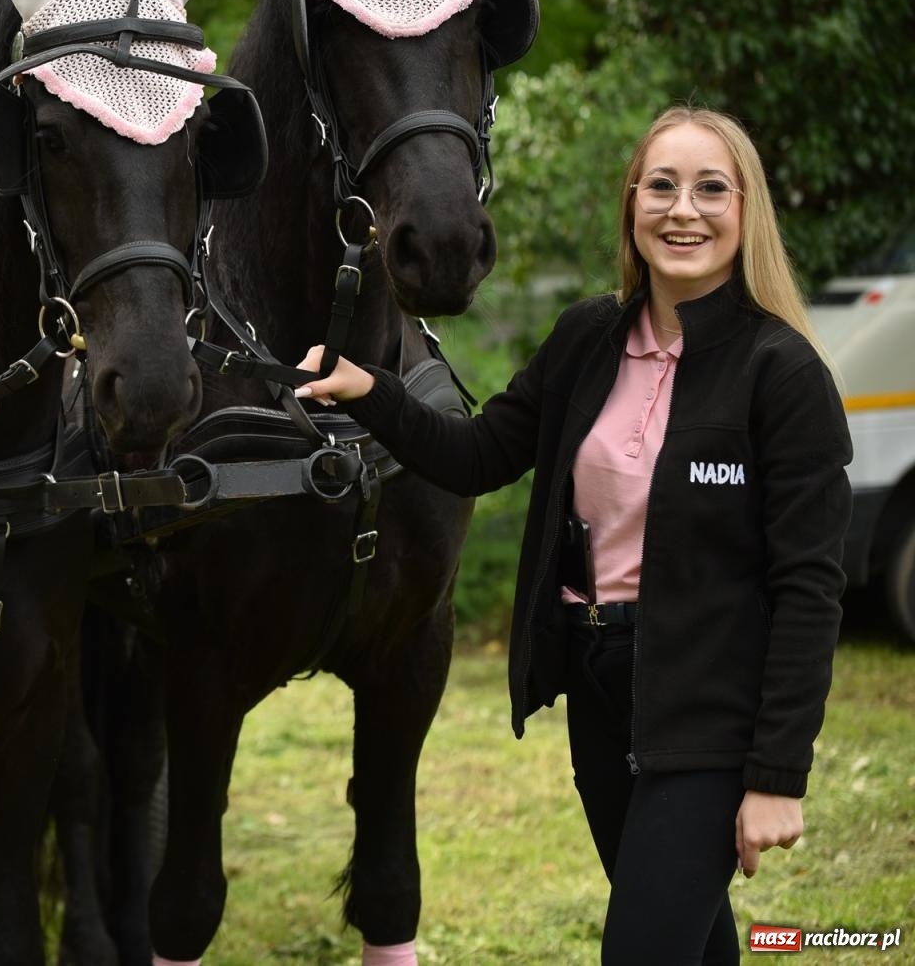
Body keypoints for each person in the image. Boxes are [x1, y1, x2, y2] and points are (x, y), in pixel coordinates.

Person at [294, 106, 851, 964]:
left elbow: (810, 589)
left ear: (747, 211)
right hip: (599, 693)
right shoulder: (591, 337)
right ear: (632, 206)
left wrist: (777, 775)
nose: (683, 210)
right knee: (692, 945)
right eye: (660, 186)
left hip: (707, 706)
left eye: (711, 189)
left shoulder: (781, 374)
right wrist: (369, 389)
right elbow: (479, 454)